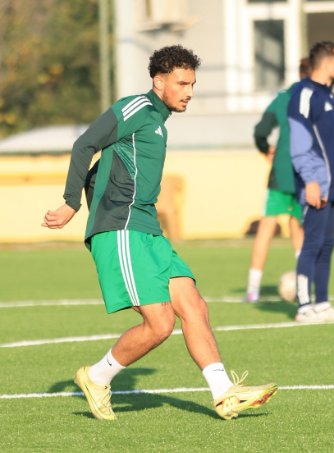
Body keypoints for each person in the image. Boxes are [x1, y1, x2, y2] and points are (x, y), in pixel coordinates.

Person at [41, 45, 277, 420]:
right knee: (160, 323)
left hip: (148, 229)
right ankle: (97, 378)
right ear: (159, 81)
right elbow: (85, 144)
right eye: (182, 83)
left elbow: (108, 167)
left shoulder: (158, 121)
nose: (189, 92)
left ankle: (224, 394)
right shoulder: (135, 108)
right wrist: (72, 203)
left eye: (193, 84)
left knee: (194, 306)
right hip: (121, 227)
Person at [288, 41, 334, 322]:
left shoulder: (329, 94)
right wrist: (311, 180)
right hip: (317, 185)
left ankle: (322, 304)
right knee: (312, 244)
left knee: (327, 244)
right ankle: (304, 307)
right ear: (327, 63)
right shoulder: (304, 94)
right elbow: (300, 142)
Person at [245, 58, 312, 303]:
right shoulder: (318, 99)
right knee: (298, 227)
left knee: (267, 227)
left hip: (281, 171)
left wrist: (265, 148)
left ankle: (252, 290)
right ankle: (304, 289)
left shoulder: (284, 98)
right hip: (304, 174)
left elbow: (260, 130)